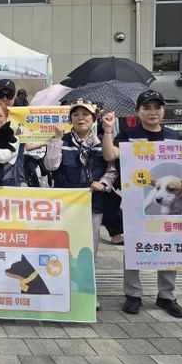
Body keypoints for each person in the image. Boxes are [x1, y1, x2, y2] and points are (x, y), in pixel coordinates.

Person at [101, 89, 182, 318]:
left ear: (164, 110)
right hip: (137, 203)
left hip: (171, 206)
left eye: (157, 107)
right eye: (146, 108)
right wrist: (108, 129)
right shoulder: (129, 135)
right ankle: (133, 294)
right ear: (137, 112)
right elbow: (109, 155)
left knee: (170, 244)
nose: (152, 112)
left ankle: (167, 295)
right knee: (136, 245)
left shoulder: (173, 136)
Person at [43, 100, 117, 311]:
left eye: (85, 114)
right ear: (70, 120)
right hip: (66, 205)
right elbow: (50, 165)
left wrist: (103, 183)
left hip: (93, 204)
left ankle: (86, 292)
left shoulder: (102, 141)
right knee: (62, 247)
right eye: (76, 115)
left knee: (88, 249)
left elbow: (112, 170)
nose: (80, 118)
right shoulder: (61, 139)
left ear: (94, 119)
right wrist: (57, 139)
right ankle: (61, 289)